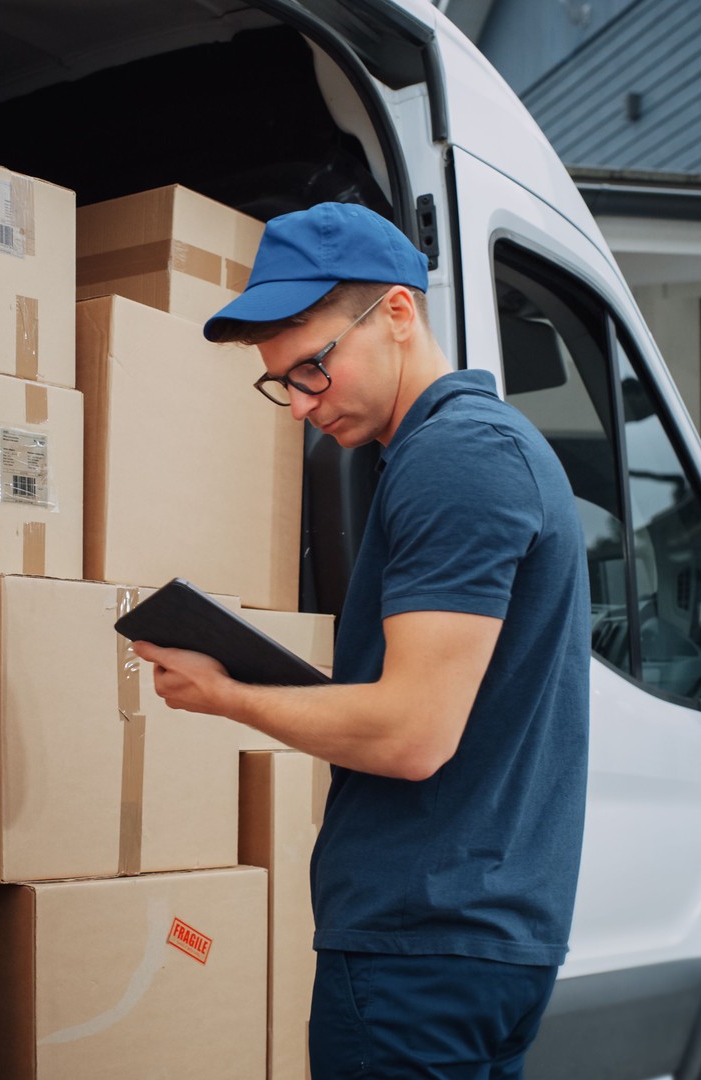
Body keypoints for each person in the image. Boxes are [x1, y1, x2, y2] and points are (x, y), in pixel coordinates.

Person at [131, 202, 590, 1079]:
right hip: (476, 944)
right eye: (282, 384)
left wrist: (224, 693)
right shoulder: (478, 451)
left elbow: (412, 735)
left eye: (312, 369)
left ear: (397, 313)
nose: (300, 406)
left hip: (419, 951)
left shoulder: (456, 459)